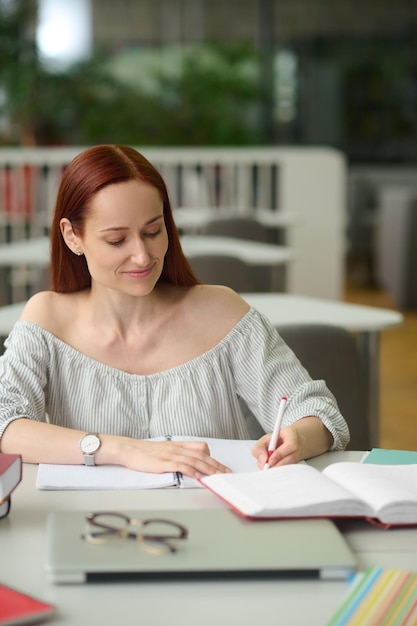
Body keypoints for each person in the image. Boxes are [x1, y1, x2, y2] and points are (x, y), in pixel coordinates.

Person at [0, 145, 349, 478]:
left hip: (218, 526)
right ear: (72, 236)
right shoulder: (47, 317)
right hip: (93, 529)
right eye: (117, 240)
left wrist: (299, 438)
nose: (142, 255)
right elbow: (6, 424)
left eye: (153, 231)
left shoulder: (221, 311)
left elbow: (318, 411)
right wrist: (124, 450)